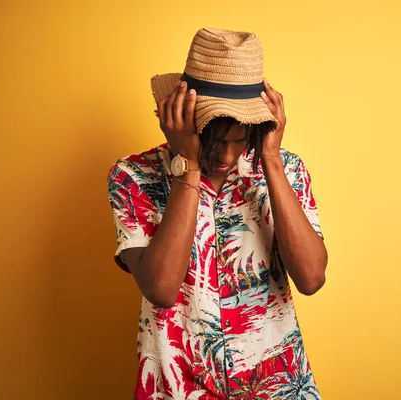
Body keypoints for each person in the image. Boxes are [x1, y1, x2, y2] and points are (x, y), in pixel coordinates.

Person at [107, 28, 328, 400]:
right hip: (179, 386)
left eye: (240, 140)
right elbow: (160, 288)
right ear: (183, 121)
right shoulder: (133, 176)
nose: (227, 157)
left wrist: (270, 159)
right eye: (214, 140)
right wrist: (189, 166)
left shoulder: (285, 169)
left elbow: (311, 278)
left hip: (275, 386)